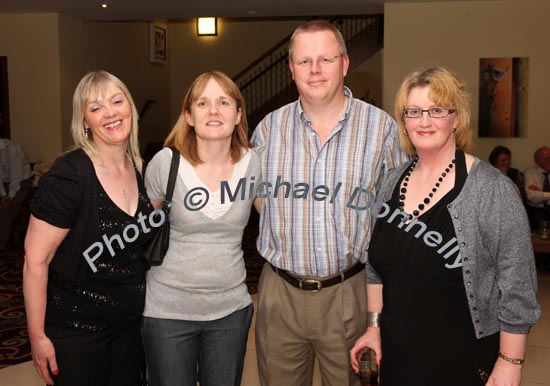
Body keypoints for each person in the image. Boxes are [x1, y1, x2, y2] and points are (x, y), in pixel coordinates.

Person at [350, 66, 541, 386]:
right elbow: (375, 268)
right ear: (404, 120)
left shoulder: (492, 190)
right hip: (397, 355)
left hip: (461, 358)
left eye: (436, 110)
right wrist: (373, 328)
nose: (423, 121)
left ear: (456, 118)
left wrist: (510, 363)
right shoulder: (390, 182)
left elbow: (517, 287)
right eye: (413, 111)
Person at [251, 20, 407, 386]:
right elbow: (255, 197)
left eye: (325, 59)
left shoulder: (381, 129)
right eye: (304, 61)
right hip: (279, 294)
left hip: (350, 292)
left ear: (345, 64)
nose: (315, 70)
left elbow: (399, 212)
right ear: (291, 69)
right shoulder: (268, 129)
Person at [23, 70, 154, 386]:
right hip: (77, 333)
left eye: (116, 101)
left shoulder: (140, 168)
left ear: (130, 108)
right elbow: (34, 261)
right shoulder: (69, 176)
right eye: (95, 108)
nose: (110, 113)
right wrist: (37, 336)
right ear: (84, 121)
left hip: (130, 328)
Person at [142, 71, 260, 386]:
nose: (213, 111)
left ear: (238, 114)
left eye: (223, 102)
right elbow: (142, 232)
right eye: (203, 102)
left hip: (230, 312)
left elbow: (278, 220)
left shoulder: (254, 164)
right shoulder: (165, 164)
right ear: (189, 115)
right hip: (167, 311)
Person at [0, 135, 32, 252]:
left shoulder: (13, 149)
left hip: (22, 183)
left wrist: (10, 196)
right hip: (5, 184)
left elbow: (16, 176)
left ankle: (1, 243)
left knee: (6, 209)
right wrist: (3, 194)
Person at [524, 146, 550, 229]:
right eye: (547, 159)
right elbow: (531, 196)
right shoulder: (529, 172)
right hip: (536, 211)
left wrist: (540, 193)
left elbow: (536, 196)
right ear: (537, 161)